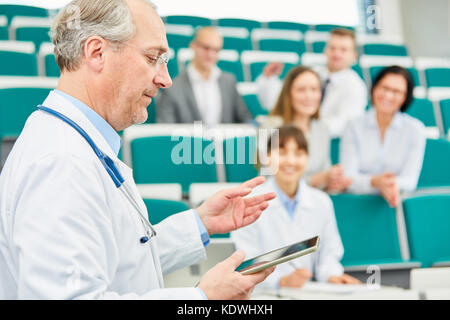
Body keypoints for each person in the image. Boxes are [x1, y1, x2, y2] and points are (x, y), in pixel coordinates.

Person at [0, 0, 277, 300]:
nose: (165, 79)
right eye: (152, 57)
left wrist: (200, 222)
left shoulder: (76, 146)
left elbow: (122, 258)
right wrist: (200, 299)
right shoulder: (61, 163)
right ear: (96, 52)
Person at [232, 125, 360, 289]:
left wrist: (332, 276)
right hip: (262, 295)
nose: (291, 161)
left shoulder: (322, 202)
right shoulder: (250, 201)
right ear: (268, 157)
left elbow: (329, 252)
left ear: (307, 159)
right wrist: (281, 281)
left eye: (298, 154)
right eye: (282, 153)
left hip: (309, 292)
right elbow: (245, 261)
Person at [340, 66, 426, 207]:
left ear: (405, 97)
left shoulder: (415, 129)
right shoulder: (353, 126)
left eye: (396, 91)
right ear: (374, 88)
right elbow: (348, 177)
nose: (388, 95)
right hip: (356, 203)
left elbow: (410, 180)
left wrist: (387, 184)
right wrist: (375, 182)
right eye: (384, 88)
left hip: (394, 203)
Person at [257, 28, 367, 137]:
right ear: (325, 50)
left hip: (319, 139)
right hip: (291, 132)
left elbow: (346, 124)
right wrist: (269, 79)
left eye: (343, 50)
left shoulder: (356, 87)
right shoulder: (312, 73)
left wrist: (305, 129)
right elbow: (276, 100)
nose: (336, 54)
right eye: (332, 48)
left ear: (354, 56)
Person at [267, 66, 351, 192]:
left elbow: (324, 174)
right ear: (288, 94)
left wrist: (331, 183)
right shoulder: (270, 126)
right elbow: (267, 177)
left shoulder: (322, 129)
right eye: (301, 90)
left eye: (314, 89)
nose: (309, 96)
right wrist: (315, 180)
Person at [156, 26, 252, 126]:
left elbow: (246, 118)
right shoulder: (173, 88)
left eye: (216, 50)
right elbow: (165, 129)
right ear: (193, 46)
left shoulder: (229, 81)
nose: (210, 55)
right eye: (206, 48)